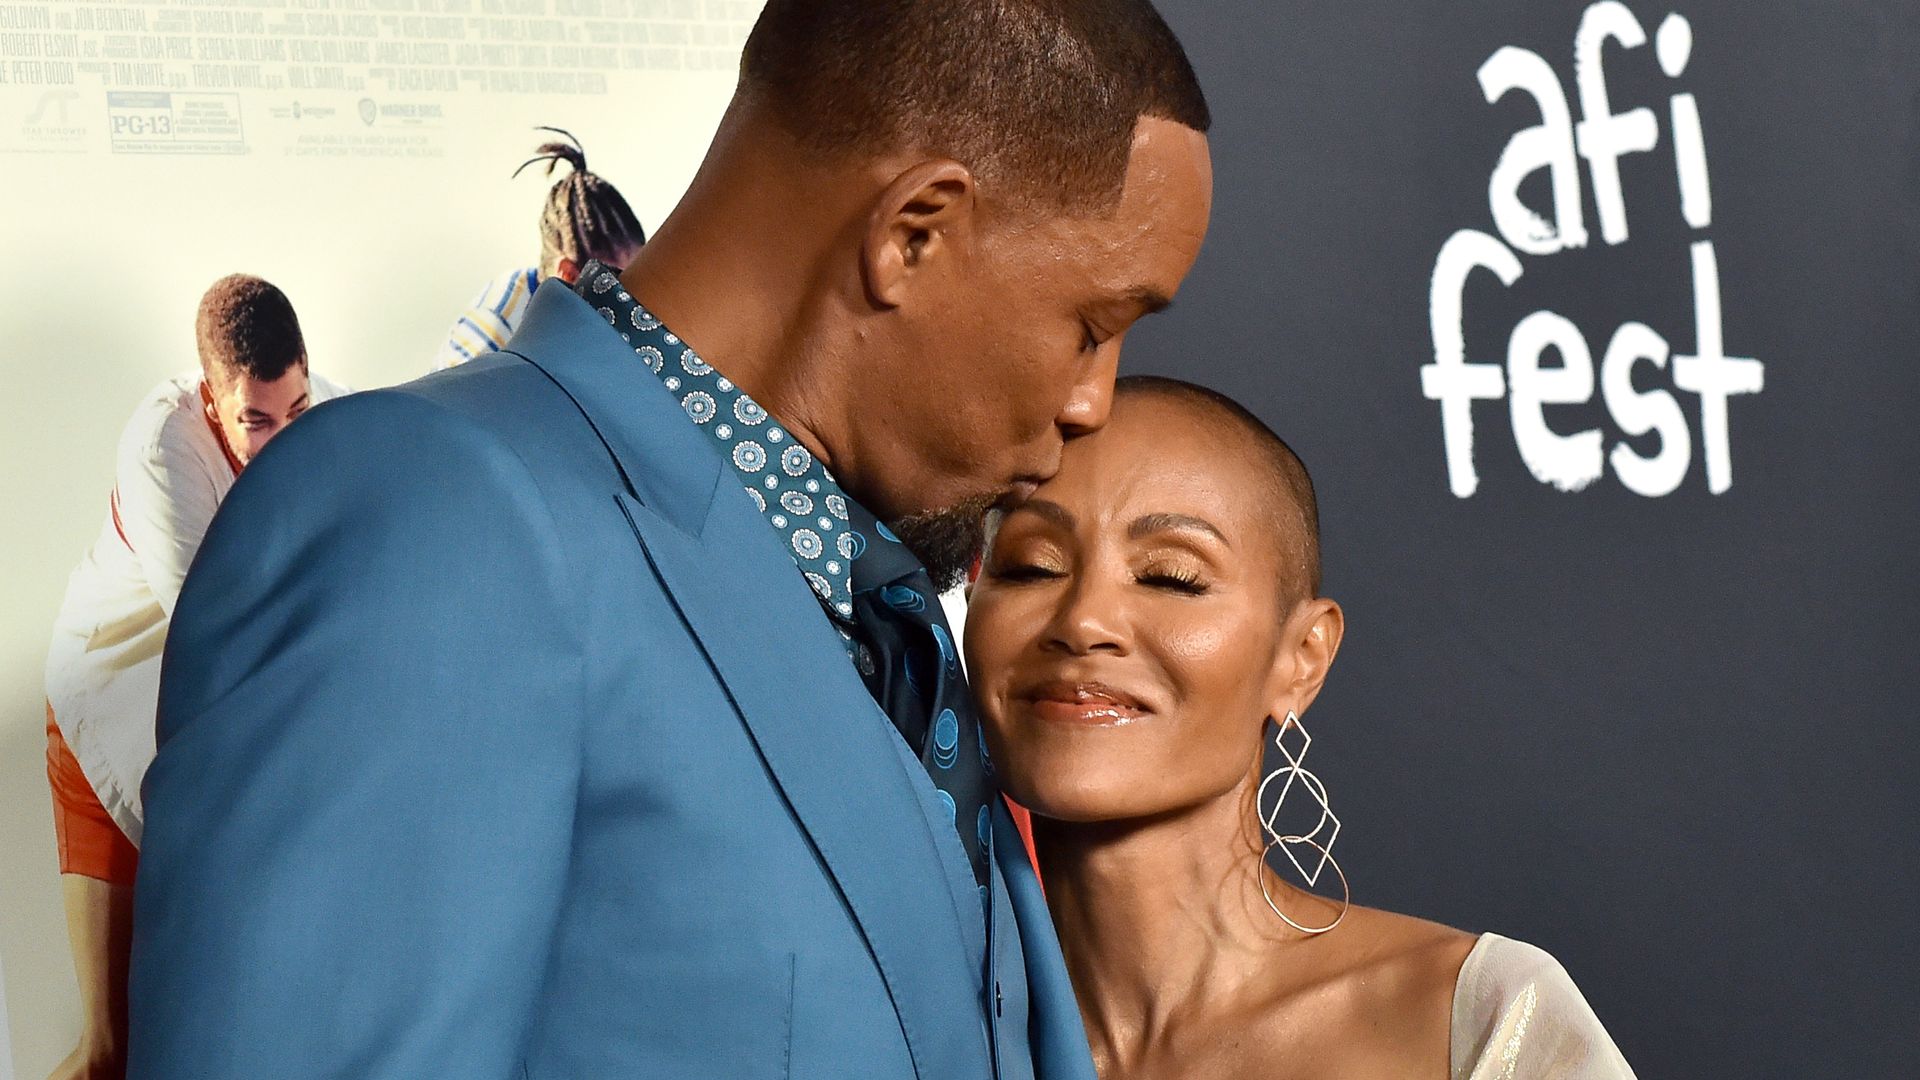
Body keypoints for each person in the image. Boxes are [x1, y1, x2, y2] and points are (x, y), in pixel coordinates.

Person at [127, 2, 1213, 1077]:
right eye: (1095, 327)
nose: (1092, 404)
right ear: (914, 232)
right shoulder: (432, 515)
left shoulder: (881, 604)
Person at [963, 376, 1637, 1080]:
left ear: (1302, 658)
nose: (1083, 621)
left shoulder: (1469, 1016)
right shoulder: (904, 1022)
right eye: (1030, 567)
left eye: (1169, 577)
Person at [42, 273, 346, 1080]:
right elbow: (228, 646)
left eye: (298, 411)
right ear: (211, 400)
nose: (283, 438)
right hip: (104, 714)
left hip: (215, 735)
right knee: (112, 1054)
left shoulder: (329, 417)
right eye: (255, 420)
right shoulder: (161, 447)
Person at [432, 127, 647, 369]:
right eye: (617, 285)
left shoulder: (572, 321)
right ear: (569, 274)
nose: (631, 303)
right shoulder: (494, 330)